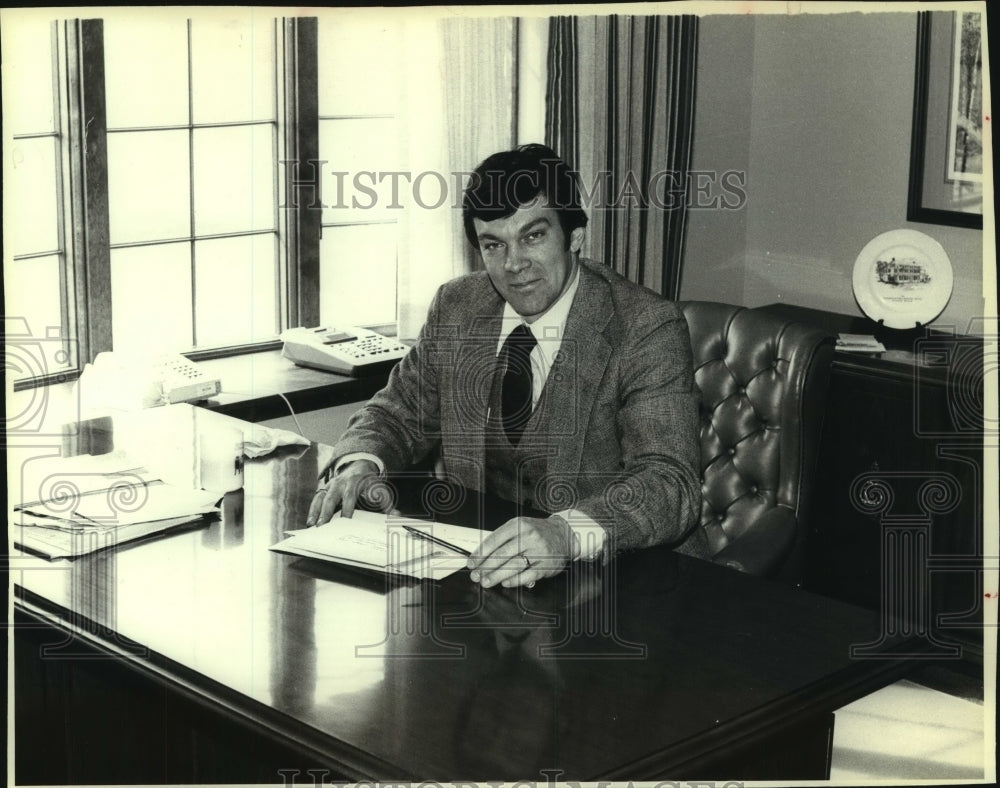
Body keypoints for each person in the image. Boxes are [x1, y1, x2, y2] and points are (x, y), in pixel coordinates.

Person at [307, 144, 707, 588]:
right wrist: (361, 464)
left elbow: (670, 482)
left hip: (622, 579)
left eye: (533, 236)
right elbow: (394, 414)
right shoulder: (458, 306)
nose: (514, 265)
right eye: (494, 245)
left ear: (574, 236)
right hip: (485, 574)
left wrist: (566, 532)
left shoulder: (644, 327)